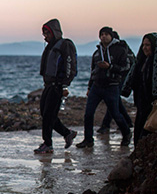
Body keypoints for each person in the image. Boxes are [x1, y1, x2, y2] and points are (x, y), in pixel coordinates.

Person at [76, 27, 132, 148]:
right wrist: (89, 87)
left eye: (106, 34)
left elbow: (126, 67)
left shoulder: (120, 50)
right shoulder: (97, 53)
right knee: (88, 113)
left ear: (111, 36)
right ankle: (88, 139)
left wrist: (110, 67)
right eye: (101, 34)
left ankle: (127, 133)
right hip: (96, 86)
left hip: (111, 86)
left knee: (116, 114)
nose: (103, 37)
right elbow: (93, 71)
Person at [122, 33, 157, 144]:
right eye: (143, 45)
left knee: (150, 131)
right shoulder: (142, 61)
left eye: (148, 45)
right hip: (142, 103)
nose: (144, 48)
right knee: (140, 131)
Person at [35, 19, 78, 154]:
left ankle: (48, 143)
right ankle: (67, 133)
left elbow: (69, 65)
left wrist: (64, 85)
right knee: (46, 113)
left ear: (54, 32)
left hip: (57, 85)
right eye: (44, 33)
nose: (45, 36)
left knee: (49, 115)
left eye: (47, 32)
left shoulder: (64, 45)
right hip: (48, 85)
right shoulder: (50, 47)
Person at [97, 30, 134, 133]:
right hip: (120, 77)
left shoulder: (121, 49)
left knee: (113, 101)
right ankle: (127, 121)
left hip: (122, 77)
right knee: (115, 101)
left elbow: (127, 65)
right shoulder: (121, 48)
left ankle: (107, 124)